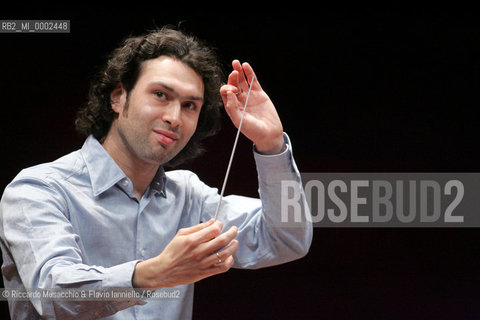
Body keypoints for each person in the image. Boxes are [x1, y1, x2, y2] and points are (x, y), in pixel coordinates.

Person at [0, 26, 312, 319]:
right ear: (118, 96)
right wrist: (155, 272)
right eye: (161, 95)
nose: (175, 117)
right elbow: (53, 293)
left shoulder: (188, 196)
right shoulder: (38, 189)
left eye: (190, 105)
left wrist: (271, 145)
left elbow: (285, 238)